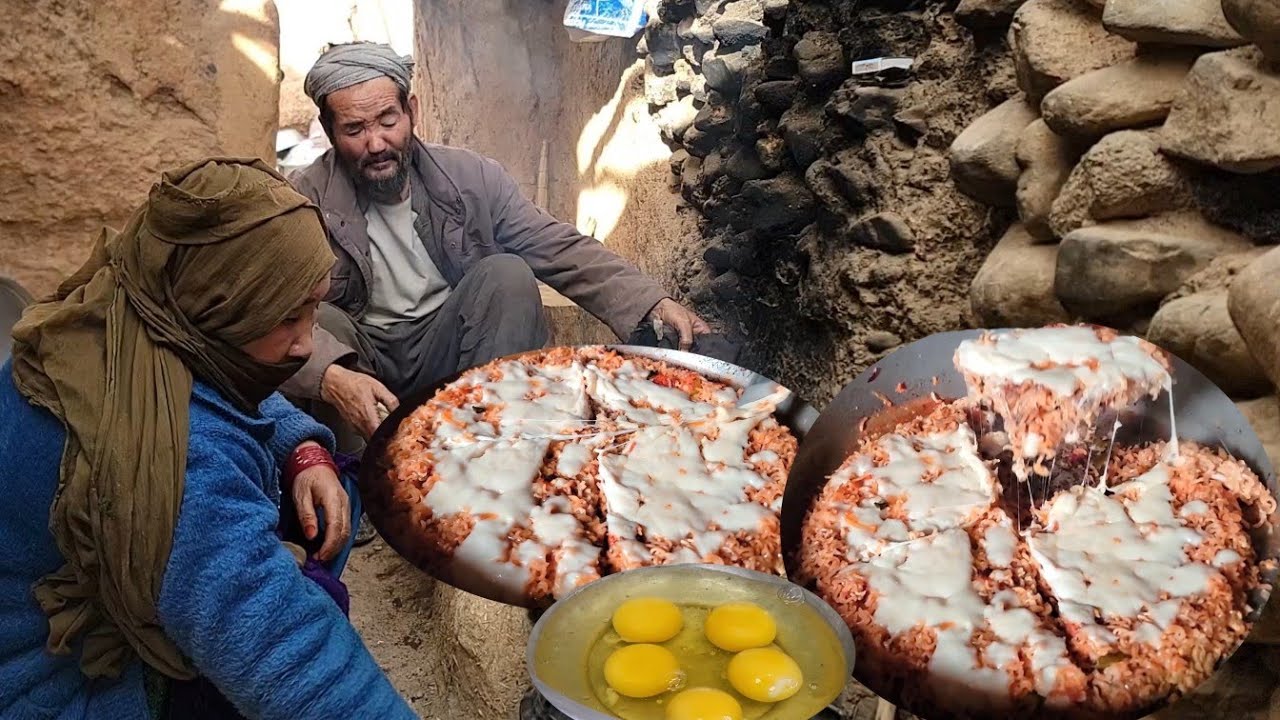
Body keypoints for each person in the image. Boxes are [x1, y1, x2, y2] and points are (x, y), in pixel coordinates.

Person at [0, 158, 416, 719]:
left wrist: (303, 448)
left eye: (312, 310)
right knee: (301, 614)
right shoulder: (165, 463)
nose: (305, 343)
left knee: (332, 483)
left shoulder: (120, 316)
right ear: (217, 304)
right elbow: (295, 660)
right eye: (286, 318)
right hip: (61, 683)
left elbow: (220, 381)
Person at [280, 41, 713, 448]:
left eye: (388, 121)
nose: (376, 144)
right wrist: (332, 376)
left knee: (506, 275)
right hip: (364, 357)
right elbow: (267, 314)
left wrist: (651, 303)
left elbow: (557, 247)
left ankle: (490, 446)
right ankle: (354, 477)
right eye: (354, 129)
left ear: (412, 111)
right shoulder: (302, 201)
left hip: (450, 349)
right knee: (324, 323)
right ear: (329, 131)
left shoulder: (470, 178)